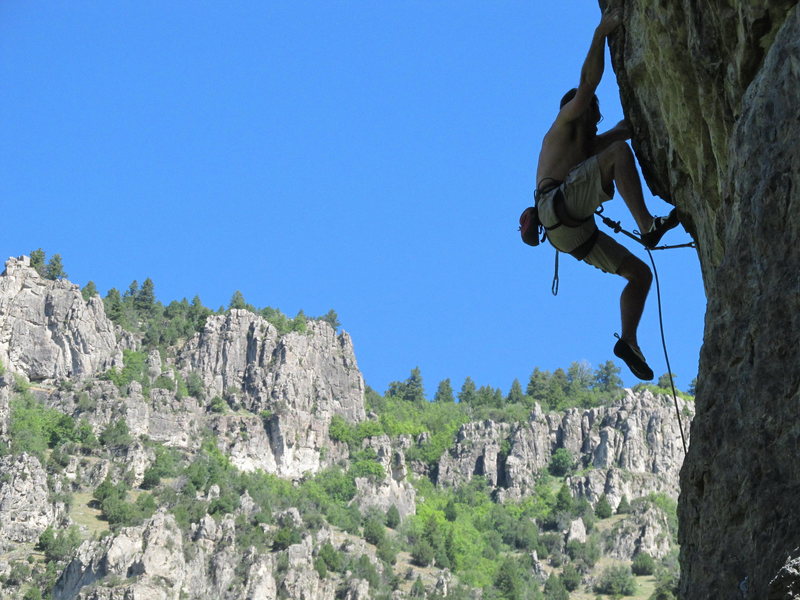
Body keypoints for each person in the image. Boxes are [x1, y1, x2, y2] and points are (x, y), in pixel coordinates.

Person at [533, 8, 679, 380]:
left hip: (568, 234)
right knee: (615, 156)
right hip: (558, 207)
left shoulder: (588, 144)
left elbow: (623, 129)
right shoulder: (564, 123)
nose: (596, 115)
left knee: (640, 274)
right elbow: (587, 83)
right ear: (579, 109)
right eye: (593, 110)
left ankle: (628, 340)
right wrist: (601, 34)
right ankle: (647, 224)